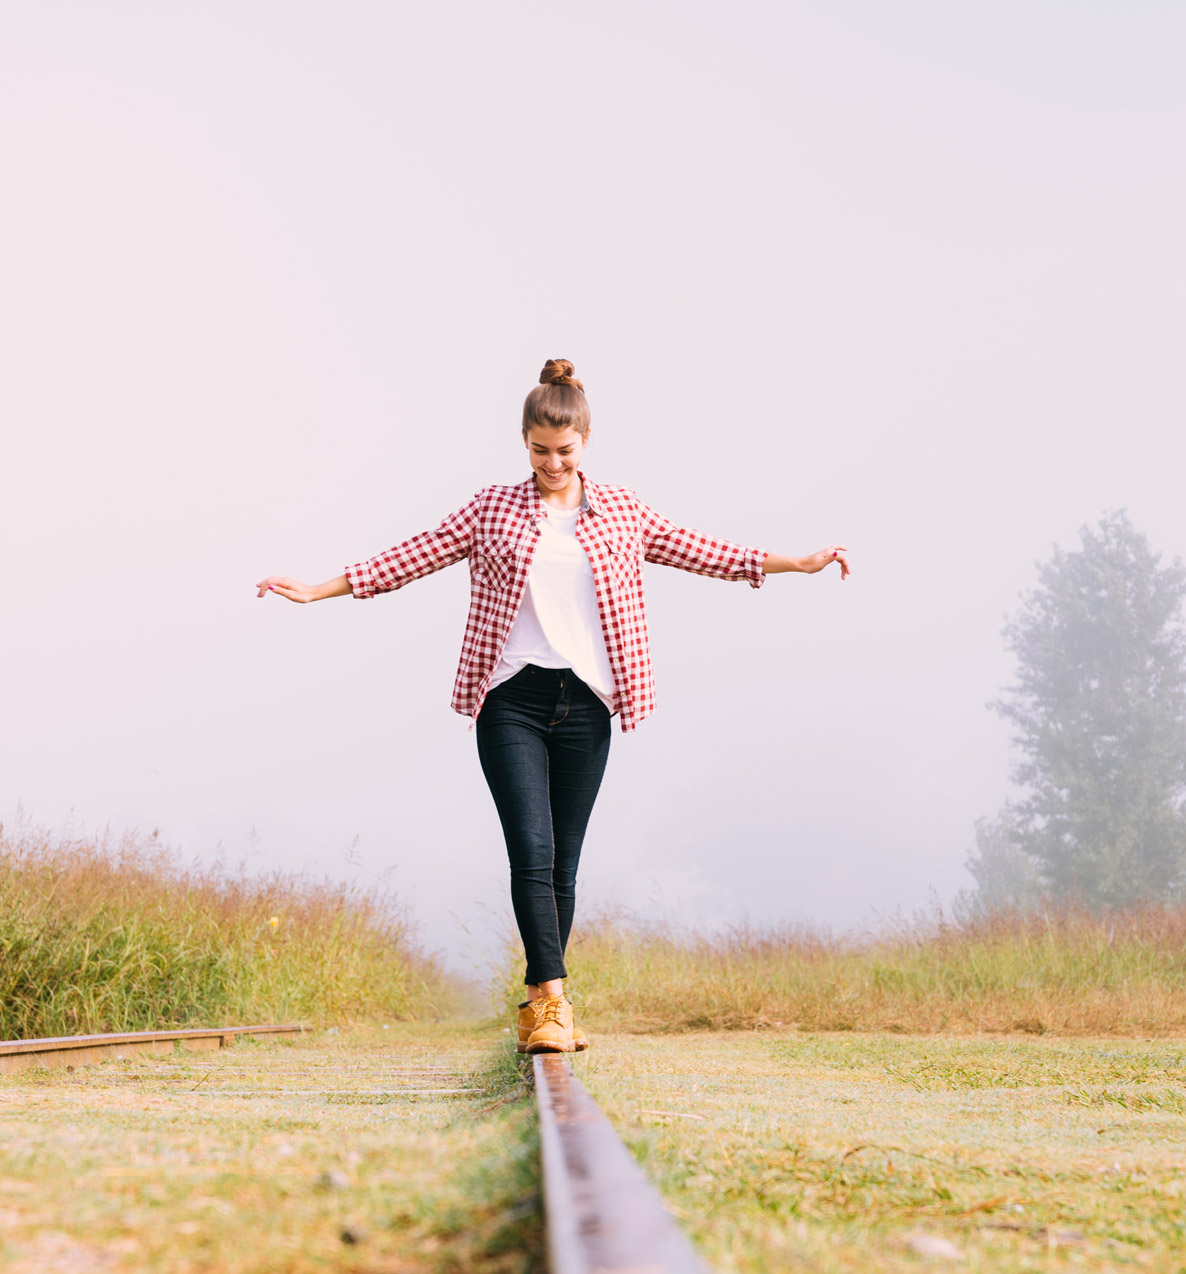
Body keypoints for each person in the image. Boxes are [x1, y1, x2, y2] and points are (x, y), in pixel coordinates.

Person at [257, 359, 849, 1054]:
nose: (552, 463)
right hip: (511, 697)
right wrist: (320, 589)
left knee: (564, 862)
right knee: (530, 851)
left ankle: (545, 999)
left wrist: (796, 564)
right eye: (539, 450)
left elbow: (706, 552)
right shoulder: (492, 509)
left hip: (588, 703)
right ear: (524, 442)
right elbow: (411, 556)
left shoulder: (623, 510)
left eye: (565, 451)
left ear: (587, 441)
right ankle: (552, 1005)